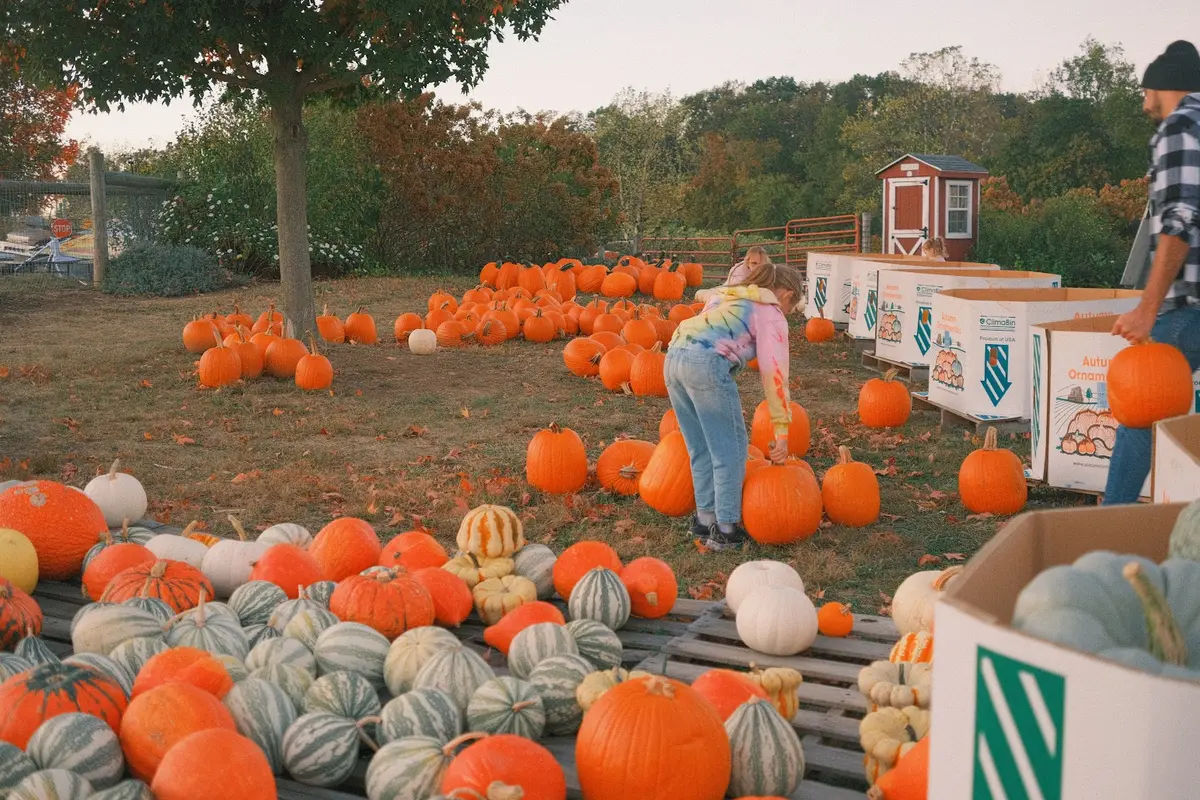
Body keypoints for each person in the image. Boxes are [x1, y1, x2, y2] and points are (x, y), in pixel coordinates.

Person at [1105, 40, 1200, 504]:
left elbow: (1180, 218)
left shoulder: (1181, 125)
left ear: (1164, 86)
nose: (1145, 105)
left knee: (1142, 410)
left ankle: (1104, 530)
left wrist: (1148, 307)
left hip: (1190, 308)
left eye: (1146, 92)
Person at [665, 258, 803, 550]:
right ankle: (726, 529)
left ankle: (704, 520)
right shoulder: (770, 312)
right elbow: (774, 373)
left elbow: (705, 327)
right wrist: (781, 430)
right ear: (787, 294)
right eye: (791, 308)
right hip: (706, 364)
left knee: (700, 446)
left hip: (674, 355)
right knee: (731, 449)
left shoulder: (726, 296)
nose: (787, 314)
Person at [695, 246, 771, 303]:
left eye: (761, 264)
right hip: (726, 291)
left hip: (746, 297)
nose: (758, 267)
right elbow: (735, 294)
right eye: (754, 263)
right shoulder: (739, 272)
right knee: (703, 295)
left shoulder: (771, 272)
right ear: (747, 262)